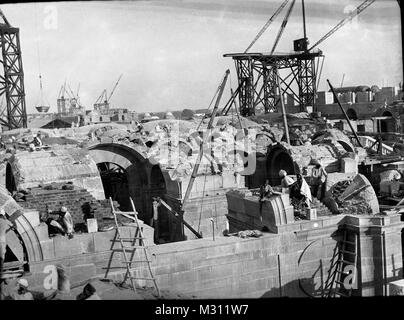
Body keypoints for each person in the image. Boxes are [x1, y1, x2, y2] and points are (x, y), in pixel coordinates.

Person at [0, 208, 13, 280]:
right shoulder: (5, 221)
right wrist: (6, 230)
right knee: (1, 256)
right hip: (2, 239)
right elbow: (13, 226)